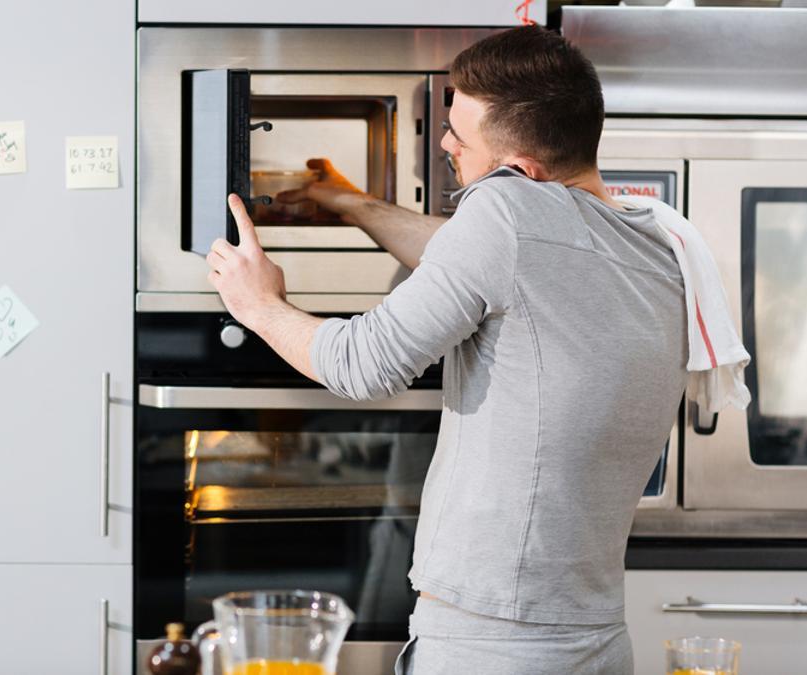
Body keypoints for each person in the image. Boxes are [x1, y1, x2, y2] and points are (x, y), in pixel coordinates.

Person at [204, 25, 686, 674]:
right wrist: (350, 202)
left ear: (521, 174)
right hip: (595, 635)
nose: (446, 143)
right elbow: (468, 258)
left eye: (461, 135)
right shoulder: (653, 246)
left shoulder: (507, 216)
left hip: (493, 644)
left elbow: (362, 363)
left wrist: (259, 305)